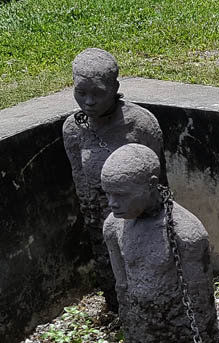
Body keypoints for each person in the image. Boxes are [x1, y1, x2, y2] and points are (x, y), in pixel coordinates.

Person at [102, 144, 219, 343]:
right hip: (141, 320)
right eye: (108, 194)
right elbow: (121, 283)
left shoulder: (186, 234)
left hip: (179, 323)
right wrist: (131, 318)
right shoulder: (114, 227)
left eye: (121, 196)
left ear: (151, 186)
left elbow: (200, 301)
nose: (113, 203)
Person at [62, 48, 165, 312]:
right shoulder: (74, 130)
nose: (89, 102)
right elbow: (81, 183)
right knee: (114, 278)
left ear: (114, 87)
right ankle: (117, 308)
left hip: (140, 215)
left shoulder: (141, 125)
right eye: (81, 92)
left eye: (98, 93)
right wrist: (97, 223)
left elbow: (159, 184)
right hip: (100, 215)